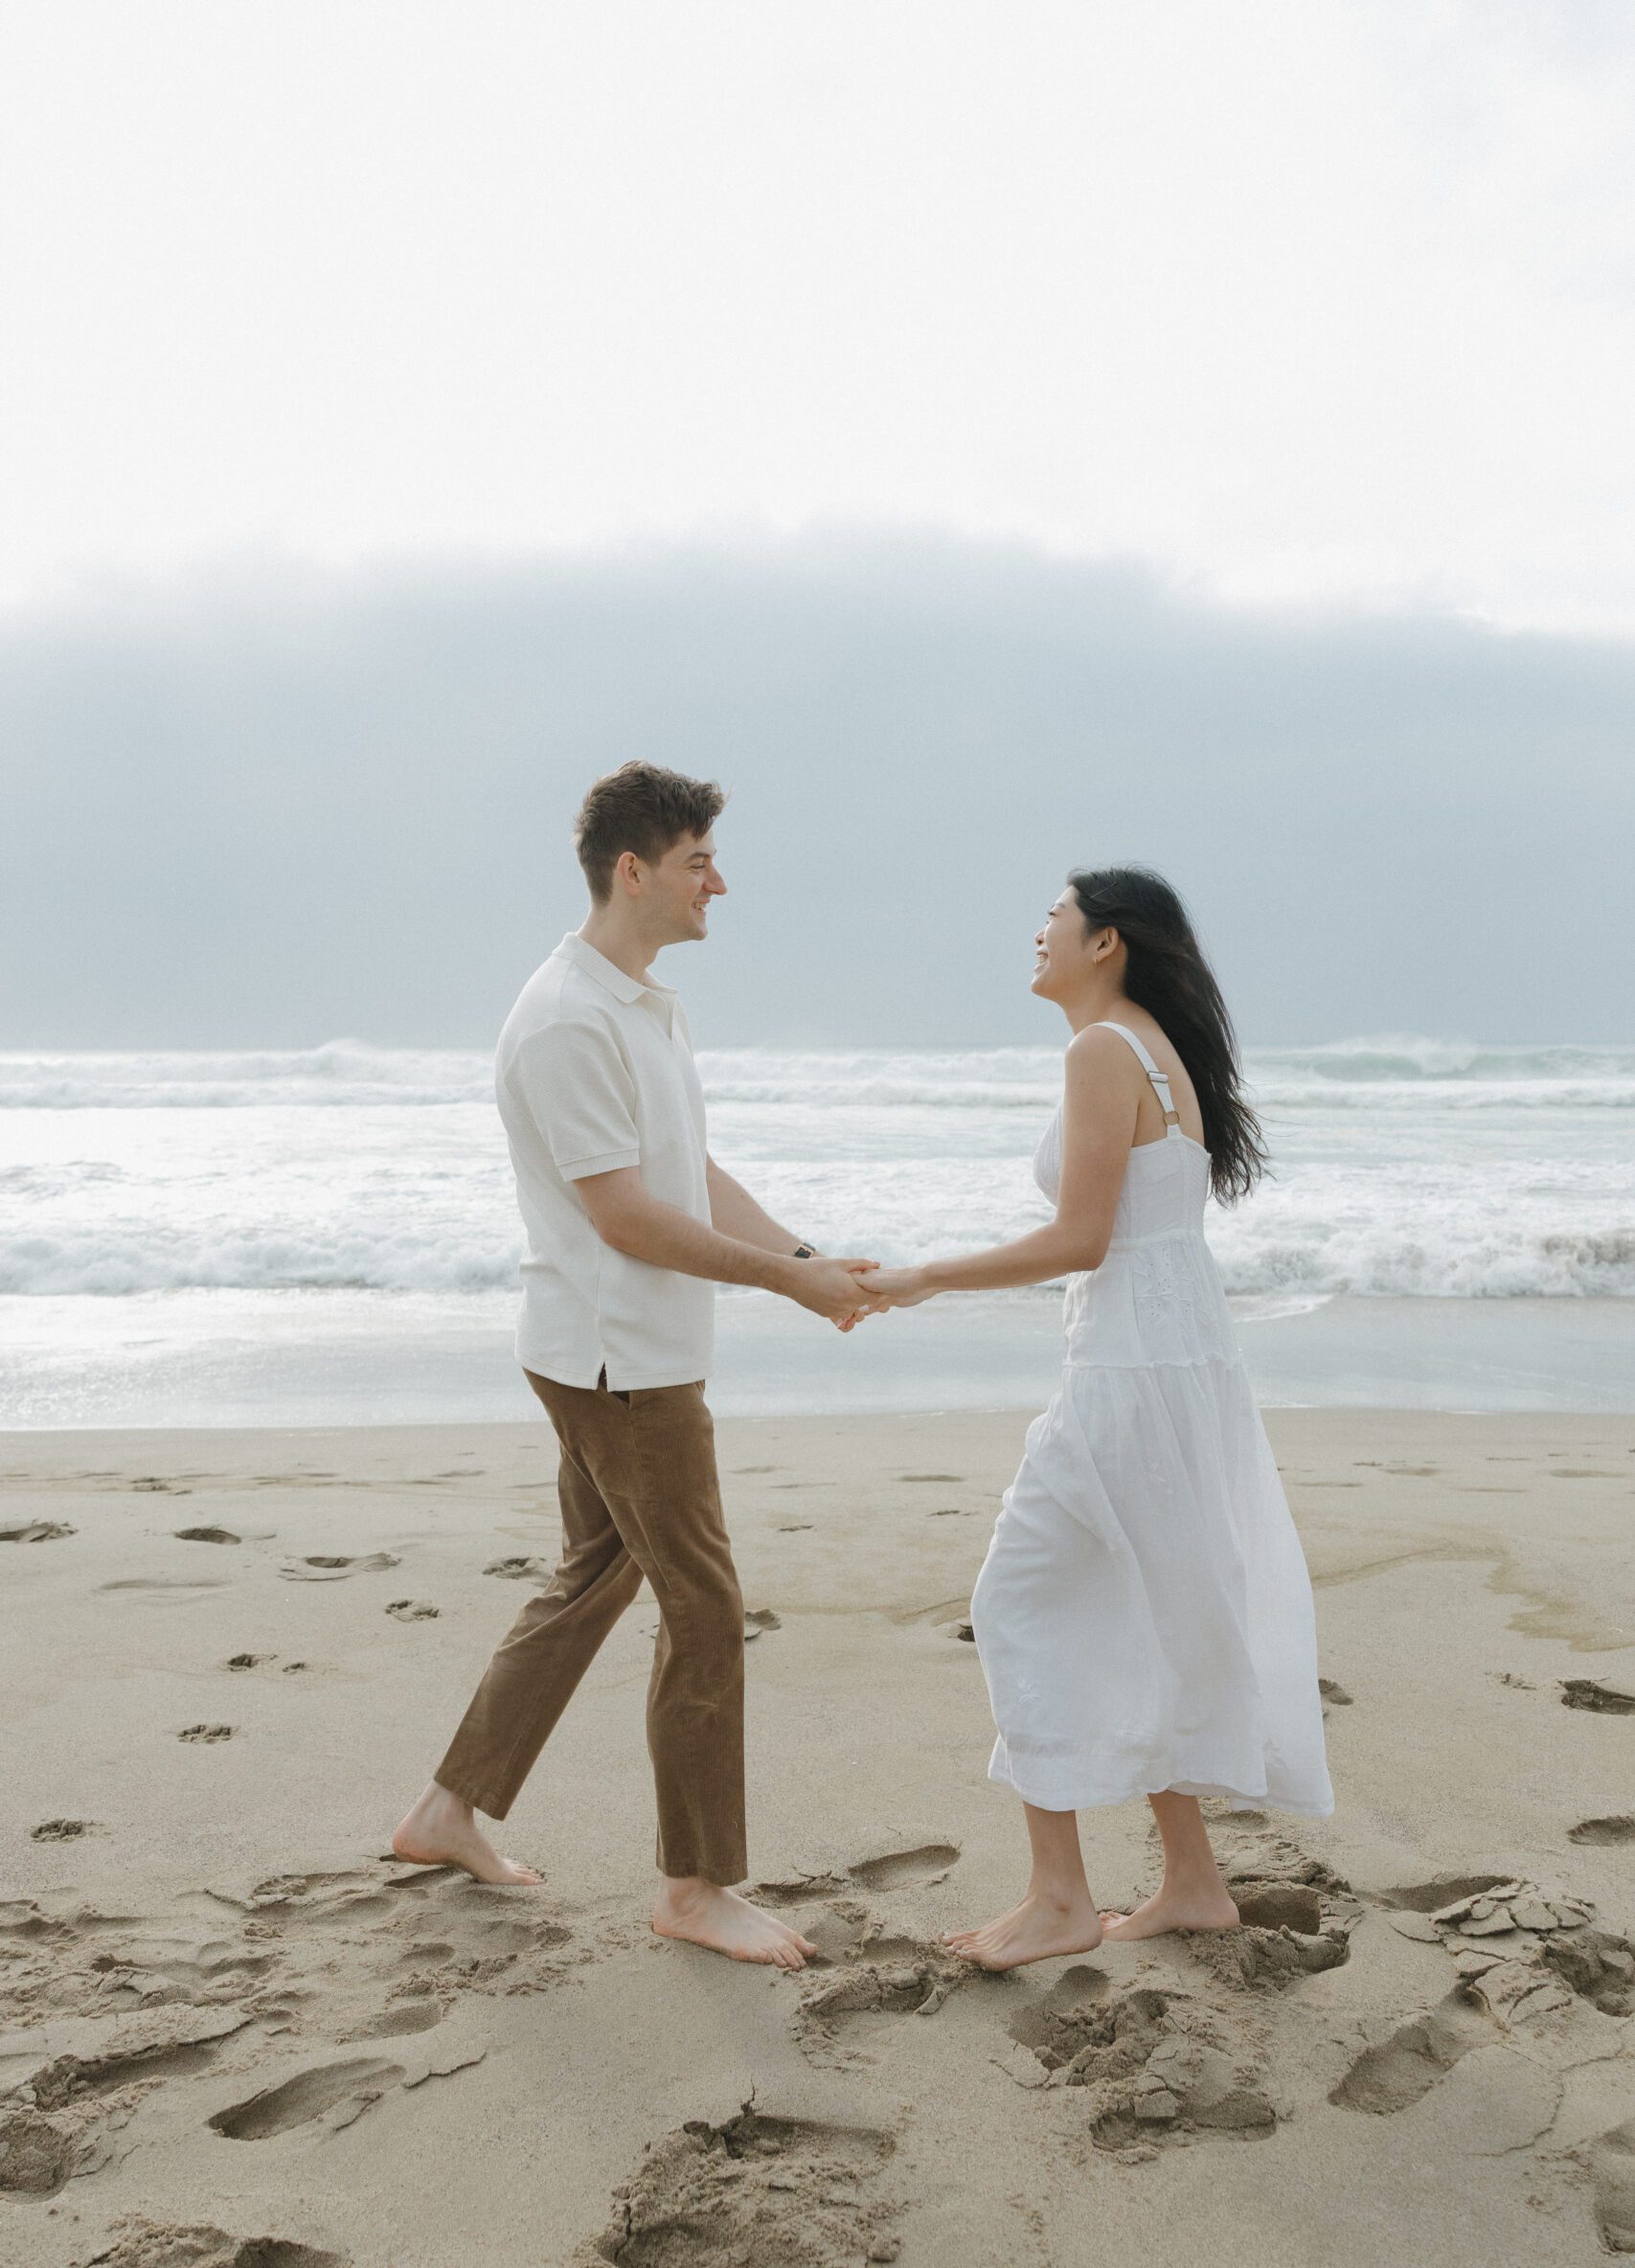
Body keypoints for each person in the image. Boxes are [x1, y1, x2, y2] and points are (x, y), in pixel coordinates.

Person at [394, 762, 878, 1968]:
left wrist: (810, 1256)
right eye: (700, 860)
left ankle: (446, 1812)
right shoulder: (568, 1018)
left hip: (613, 1348)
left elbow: (690, 1175)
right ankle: (693, 1885)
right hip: (619, 1361)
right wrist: (789, 1283)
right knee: (704, 1611)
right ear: (634, 869)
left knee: (595, 1578)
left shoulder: (640, 1004)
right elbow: (626, 1218)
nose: (722, 880)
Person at [859, 866, 1332, 1970]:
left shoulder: (1100, 1050)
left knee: (1017, 1600)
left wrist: (922, 1276)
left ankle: (1063, 1897)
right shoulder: (1153, 1046)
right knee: (1150, 1606)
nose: (1037, 932)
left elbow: (1082, 1238)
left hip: (1128, 1370)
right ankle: (1194, 1882)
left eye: (1053, 917)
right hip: (1181, 1359)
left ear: (1105, 940)